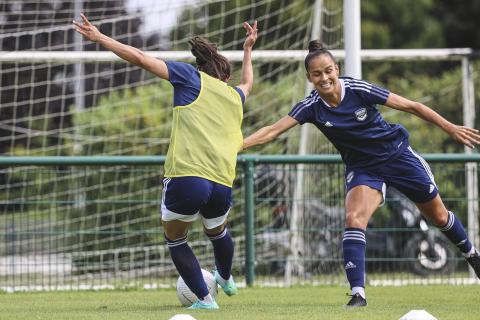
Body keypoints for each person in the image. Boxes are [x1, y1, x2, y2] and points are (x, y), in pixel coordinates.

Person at [242, 40, 480, 307]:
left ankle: (471, 254)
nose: (325, 78)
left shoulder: (358, 88)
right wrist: (238, 145)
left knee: (438, 216)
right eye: (317, 74)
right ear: (309, 77)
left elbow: (412, 106)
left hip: (398, 156)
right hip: (363, 169)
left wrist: (450, 128)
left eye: (329, 70)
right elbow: (272, 131)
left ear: (337, 69)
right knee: (354, 218)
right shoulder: (310, 106)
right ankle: (358, 293)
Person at [73, 14, 258, 310]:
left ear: (202, 68)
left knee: (175, 237)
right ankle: (225, 277)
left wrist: (101, 38)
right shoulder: (234, 96)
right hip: (223, 182)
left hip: (188, 177)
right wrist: (248, 49)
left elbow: (142, 58)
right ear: (225, 77)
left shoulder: (189, 77)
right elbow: (248, 83)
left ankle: (206, 300)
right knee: (217, 231)